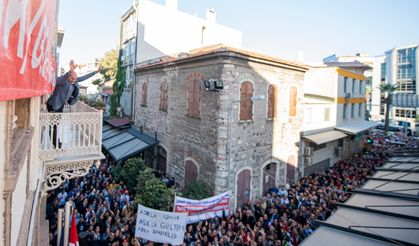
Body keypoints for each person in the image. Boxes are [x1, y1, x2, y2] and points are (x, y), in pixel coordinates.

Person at [46, 60, 99, 147]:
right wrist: (69, 72)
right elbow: (61, 80)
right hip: (53, 104)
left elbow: (84, 77)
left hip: (61, 105)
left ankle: (55, 141)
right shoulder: (62, 80)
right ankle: (55, 144)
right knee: (53, 125)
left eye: (75, 79)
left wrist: (95, 72)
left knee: (56, 125)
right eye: (72, 78)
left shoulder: (74, 81)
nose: (74, 80)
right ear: (68, 77)